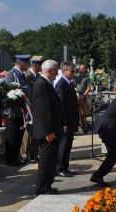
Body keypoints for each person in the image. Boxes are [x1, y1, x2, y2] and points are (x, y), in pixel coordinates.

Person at [32, 60, 62, 195]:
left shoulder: (45, 83)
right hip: (47, 132)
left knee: (50, 161)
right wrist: (48, 131)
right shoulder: (42, 84)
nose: (57, 73)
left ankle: (47, 186)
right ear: (50, 71)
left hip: (51, 130)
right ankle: (42, 188)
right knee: (46, 161)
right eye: (56, 70)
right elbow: (43, 111)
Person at [4, 55, 31, 166]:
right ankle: (11, 159)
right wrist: (11, 111)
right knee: (12, 135)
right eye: (27, 63)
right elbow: (8, 95)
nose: (28, 66)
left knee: (18, 135)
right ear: (22, 63)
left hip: (21, 110)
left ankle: (16, 157)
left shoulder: (20, 74)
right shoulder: (12, 74)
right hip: (13, 111)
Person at [55, 61, 79, 177]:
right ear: (64, 71)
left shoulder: (69, 83)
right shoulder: (61, 84)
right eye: (72, 71)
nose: (73, 74)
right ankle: (60, 168)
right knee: (63, 145)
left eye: (74, 71)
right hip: (65, 121)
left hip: (71, 121)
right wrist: (63, 123)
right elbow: (61, 105)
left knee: (68, 146)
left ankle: (65, 166)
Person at [21, 56, 43, 162]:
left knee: (36, 131)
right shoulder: (27, 75)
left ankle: (34, 154)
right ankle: (25, 154)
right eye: (39, 65)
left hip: (37, 107)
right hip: (29, 108)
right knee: (28, 132)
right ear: (35, 65)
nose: (41, 67)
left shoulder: (38, 75)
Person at [74, 64, 90, 132]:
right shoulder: (75, 76)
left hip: (83, 98)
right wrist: (75, 92)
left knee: (84, 113)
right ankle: (77, 126)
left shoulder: (87, 78)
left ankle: (84, 126)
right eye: (80, 68)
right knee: (76, 112)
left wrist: (83, 95)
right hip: (76, 97)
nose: (81, 70)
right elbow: (73, 85)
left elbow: (88, 88)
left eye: (83, 68)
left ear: (85, 69)